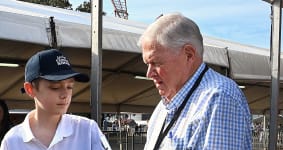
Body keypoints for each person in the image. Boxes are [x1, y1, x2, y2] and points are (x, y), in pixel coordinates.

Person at [138, 13, 252, 149]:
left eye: (156, 62)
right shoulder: (164, 107)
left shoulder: (218, 98)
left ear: (189, 55)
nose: (149, 73)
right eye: (147, 64)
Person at [0, 49, 111, 150]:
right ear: (30, 89)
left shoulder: (87, 130)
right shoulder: (12, 141)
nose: (65, 94)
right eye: (55, 87)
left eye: (70, 87)